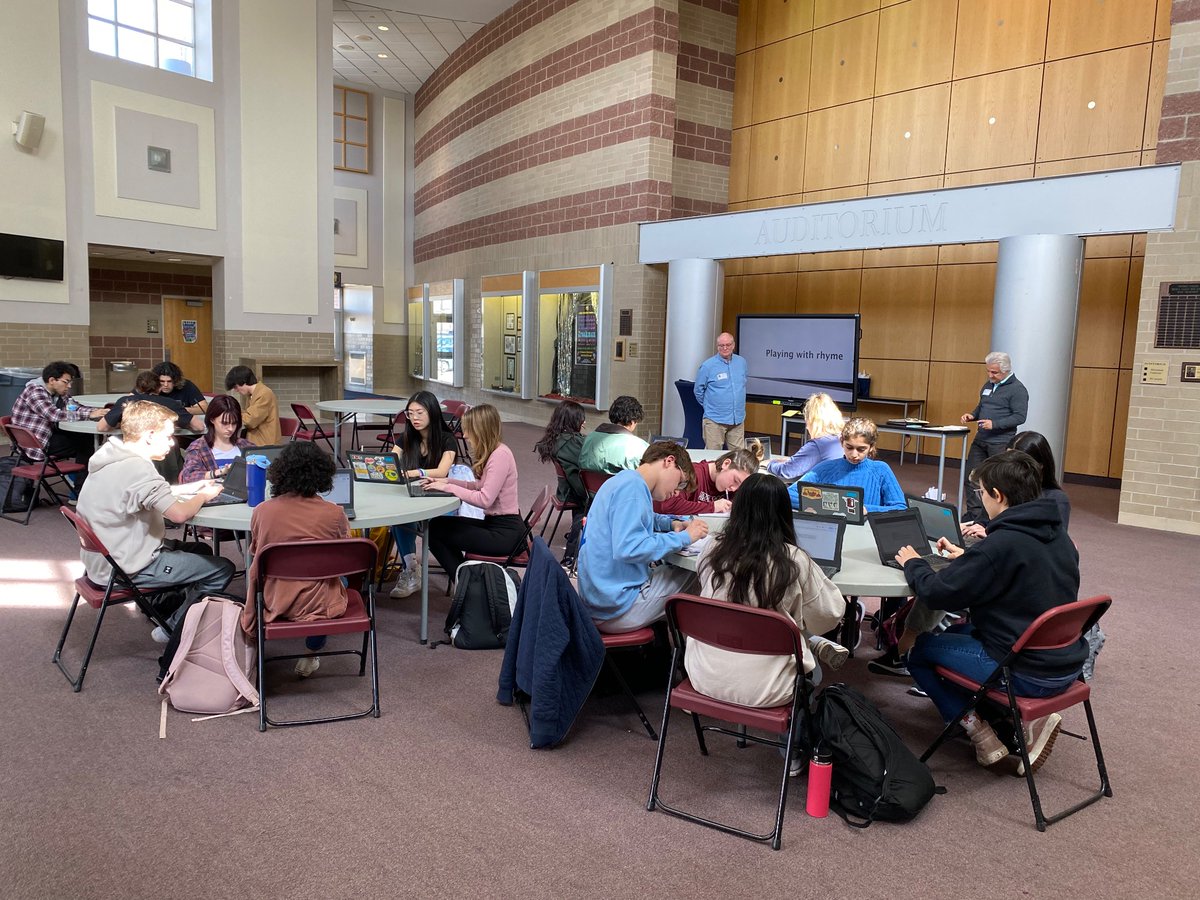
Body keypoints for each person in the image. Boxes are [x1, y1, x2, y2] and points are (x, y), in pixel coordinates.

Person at [895, 451, 1084, 772]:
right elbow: (1016, 574)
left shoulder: (1001, 544)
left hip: (1024, 672)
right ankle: (1002, 724)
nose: (980, 499)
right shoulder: (1059, 536)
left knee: (917, 651)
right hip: (1065, 664)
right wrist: (969, 560)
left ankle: (980, 731)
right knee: (957, 635)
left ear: (998, 495)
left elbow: (937, 593)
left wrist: (912, 562)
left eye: (981, 492)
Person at [75, 401, 235, 674]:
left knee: (199, 550)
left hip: (103, 560)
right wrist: (202, 496)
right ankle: (173, 626)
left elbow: (147, 492)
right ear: (149, 435)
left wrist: (192, 486)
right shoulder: (139, 469)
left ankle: (171, 610)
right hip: (127, 566)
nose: (172, 443)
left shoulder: (112, 457)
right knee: (222, 569)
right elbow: (180, 515)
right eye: (168, 435)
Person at [689, 473, 848, 710]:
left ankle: (806, 640)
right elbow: (829, 615)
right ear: (784, 514)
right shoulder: (793, 560)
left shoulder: (713, 547)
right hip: (767, 688)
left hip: (704, 674)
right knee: (808, 657)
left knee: (764, 618)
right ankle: (795, 739)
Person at [577, 441, 709, 633]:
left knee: (672, 573)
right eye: (680, 482)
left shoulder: (624, 480)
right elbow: (630, 548)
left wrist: (670, 524)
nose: (676, 492)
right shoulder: (633, 489)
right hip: (617, 607)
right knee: (699, 573)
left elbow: (641, 516)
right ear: (669, 461)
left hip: (599, 597)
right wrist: (685, 537)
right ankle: (688, 653)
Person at [244, 441, 351, 677]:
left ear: (280, 471)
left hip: (274, 599)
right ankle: (312, 651)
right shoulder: (335, 513)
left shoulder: (262, 511)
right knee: (341, 578)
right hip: (319, 603)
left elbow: (256, 552)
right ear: (323, 475)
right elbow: (344, 557)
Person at [425, 404, 524, 588]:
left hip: (505, 534)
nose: (465, 435)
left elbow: (484, 499)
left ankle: (466, 587)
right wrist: (448, 482)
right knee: (436, 525)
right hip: (496, 525)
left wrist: (449, 489)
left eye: (468, 430)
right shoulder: (497, 451)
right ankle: (467, 582)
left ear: (481, 429)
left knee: (435, 534)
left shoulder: (500, 456)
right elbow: (478, 485)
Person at [389, 390, 459, 598]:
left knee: (443, 526)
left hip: (438, 498)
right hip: (411, 497)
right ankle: (411, 570)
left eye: (419, 412)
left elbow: (441, 471)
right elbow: (392, 463)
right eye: (410, 413)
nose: (415, 418)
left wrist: (413, 472)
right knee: (400, 521)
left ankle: (458, 574)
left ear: (432, 412)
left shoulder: (447, 439)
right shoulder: (406, 438)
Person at [8, 361, 105, 482]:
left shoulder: (58, 393)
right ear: (52, 380)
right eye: (66, 382)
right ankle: (80, 489)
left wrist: (99, 412)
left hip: (47, 436)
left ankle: (78, 484)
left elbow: (75, 406)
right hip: (36, 444)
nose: (69, 386)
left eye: (70, 382)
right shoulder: (34, 391)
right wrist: (90, 414)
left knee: (87, 439)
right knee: (86, 444)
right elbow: (52, 414)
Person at [963, 430, 1070, 538]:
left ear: (1039, 465)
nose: (1008, 469)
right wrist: (975, 528)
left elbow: (1050, 540)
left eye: (1016, 465)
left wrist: (990, 534)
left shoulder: (1056, 499)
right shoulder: (1002, 488)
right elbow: (983, 520)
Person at [961, 351, 1028, 522]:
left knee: (997, 481)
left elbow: (1020, 417)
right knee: (972, 478)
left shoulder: (1017, 390)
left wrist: (995, 424)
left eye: (994, 372)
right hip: (981, 439)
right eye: (988, 371)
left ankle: (994, 519)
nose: (990, 375)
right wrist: (972, 415)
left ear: (1006, 371)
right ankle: (974, 517)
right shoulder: (988, 385)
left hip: (1000, 442)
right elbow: (981, 406)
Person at [793, 417, 905, 513]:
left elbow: (900, 508)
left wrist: (867, 509)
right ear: (841, 442)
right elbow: (788, 494)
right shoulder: (825, 468)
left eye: (861, 449)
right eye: (849, 447)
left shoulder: (880, 470)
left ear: (871, 447)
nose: (854, 455)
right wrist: (817, 505)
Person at [533, 400, 587, 568]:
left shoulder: (555, 439)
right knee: (594, 498)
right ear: (574, 421)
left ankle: (574, 543)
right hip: (576, 492)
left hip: (566, 490)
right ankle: (573, 552)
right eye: (581, 419)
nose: (584, 422)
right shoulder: (574, 443)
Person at [653, 441, 763, 515]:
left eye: (740, 486)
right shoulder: (693, 474)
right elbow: (665, 505)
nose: (734, 488)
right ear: (725, 464)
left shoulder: (736, 487)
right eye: (735, 480)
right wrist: (712, 507)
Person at [178, 394, 256, 483]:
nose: (230, 428)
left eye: (234, 423)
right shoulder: (198, 448)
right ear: (212, 419)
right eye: (224, 423)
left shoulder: (247, 446)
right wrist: (220, 472)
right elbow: (188, 477)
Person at [767, 392, 845, 480]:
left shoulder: (817, 445)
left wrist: (769, 464)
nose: (807, 427)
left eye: (807, 421)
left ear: (813, 421)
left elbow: (787, 471)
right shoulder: (842, 439)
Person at [99, 370, 205, 434]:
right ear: (159, 387)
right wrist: (181, 424)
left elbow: (102, 427)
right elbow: (199, 427)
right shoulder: (171, 404)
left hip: (131, 450)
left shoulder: (125, 402)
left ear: (137, 388)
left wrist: (121, 425)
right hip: (163, 451)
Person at [695, 332, 747, 451]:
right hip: (715, 420)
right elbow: (698, 390)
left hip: (737, 419)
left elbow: (742, 385)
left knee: (739, 457)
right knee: (713, 457)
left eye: (728, 345)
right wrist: (710, 406)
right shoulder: (707, 366)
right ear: (717, 346)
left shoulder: (742, 362)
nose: (725, 348)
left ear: (733, 345)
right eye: (721, 345)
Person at [577, 394, 648, 473]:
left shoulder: (590, 438)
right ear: (632, 422)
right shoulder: (640, 447)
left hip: (591, 485)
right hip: (622, 485)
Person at [224, 365, 281, 446]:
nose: (236, 390)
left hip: (264, 443)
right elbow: (247, 414)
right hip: (255, 439)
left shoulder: (264, 394)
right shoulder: (252, 394)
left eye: (236, 387)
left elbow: (250, 420)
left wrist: (232, 413)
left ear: (243, 382)